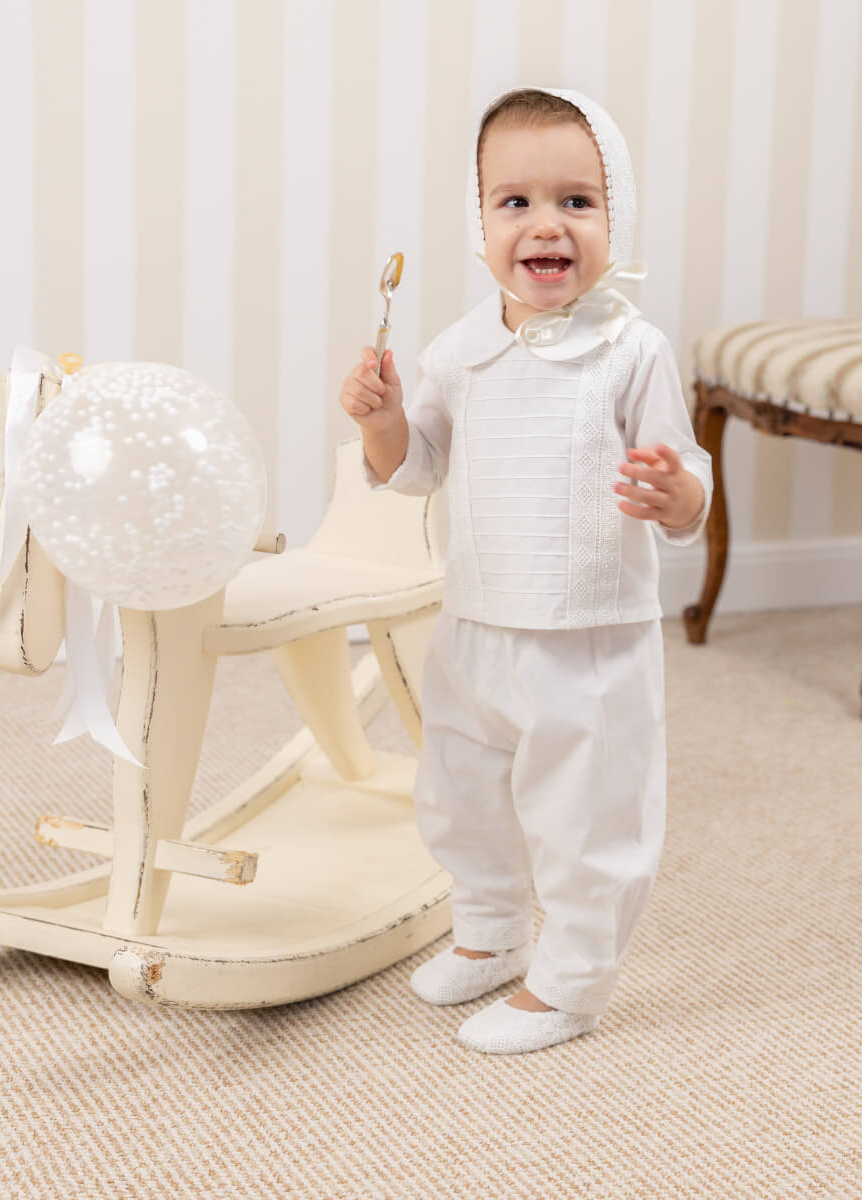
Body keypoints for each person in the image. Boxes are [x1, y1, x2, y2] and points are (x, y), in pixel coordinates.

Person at [338, 87, 712, 1054]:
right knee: (460, 790)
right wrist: (381, 421)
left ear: (613, 219)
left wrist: (676, 496)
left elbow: (688, 473)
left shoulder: (632, 351)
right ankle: (492, 932)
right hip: (475, 624)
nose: (547, 224)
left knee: (587, 814)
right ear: (481, 224)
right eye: (516, 203)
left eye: (577, 202)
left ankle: (575, 979)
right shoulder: (458, 352)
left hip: (588, 635)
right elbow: (417, 466)